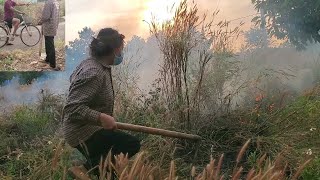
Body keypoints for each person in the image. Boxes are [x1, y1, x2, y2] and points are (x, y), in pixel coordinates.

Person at [62, 28, 141, 177]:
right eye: (121, 50)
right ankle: (83, 170)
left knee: (108, 167)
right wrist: (100, 117)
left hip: (90, 126)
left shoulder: (95, 65)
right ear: (113, 50)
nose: (121, 54)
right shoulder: (94, 72)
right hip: (82, 130)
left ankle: (94, 169)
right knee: (130, 144)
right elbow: (72, 108)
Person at [39, 0, 60, 71]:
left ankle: (52, 65)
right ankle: (48, 59)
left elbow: (45, 16)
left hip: (49, 27)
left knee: (50, 45)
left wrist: (40, 21)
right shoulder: (56, 2)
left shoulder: (49, 2)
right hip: (53, 26)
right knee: (48, 43)